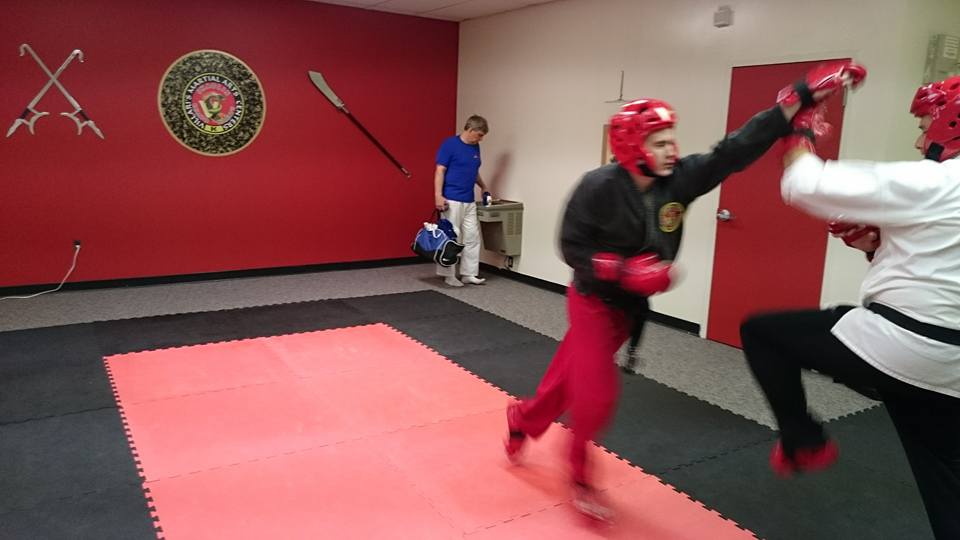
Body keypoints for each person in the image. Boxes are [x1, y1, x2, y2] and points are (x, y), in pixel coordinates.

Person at [502, 61, 865, 523]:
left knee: (568, 382)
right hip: (593, 302)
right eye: (658, 142)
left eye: (670, 139)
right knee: (595, 395)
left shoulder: (678, 180)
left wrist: (796, 99)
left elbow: (732, 151)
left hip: (628, 311)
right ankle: (579, 475)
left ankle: (523, 419)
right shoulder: (598, 187)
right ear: (632, 147)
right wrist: (620, 270)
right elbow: (571, 247)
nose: (670, 149)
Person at [740, 71, 960, 539]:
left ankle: (804, 441)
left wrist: (799, 123)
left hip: (905, 344)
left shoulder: (940, 180)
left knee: (762, 334)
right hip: (952, 369)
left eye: (925, 126)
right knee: (946, 481)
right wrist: (878, 247)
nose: (920, 140)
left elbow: (804, 184)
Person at [434, 115, 491, 287]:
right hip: (451, 199)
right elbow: (440, 170)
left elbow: (473, 171)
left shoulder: (475, 147)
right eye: (479, 135)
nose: (481, 139)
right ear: (471, 130)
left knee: (472, 237)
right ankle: (448, 275)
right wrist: (438, 195)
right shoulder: (450, 144)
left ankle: (469, 273)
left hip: (469, 200)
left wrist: (483, 186)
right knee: (452, 238)